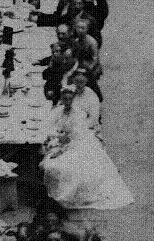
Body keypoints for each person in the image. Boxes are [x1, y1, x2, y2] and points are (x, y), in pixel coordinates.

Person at [41, 82, 135, 211]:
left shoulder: (78, 115)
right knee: (49, 161)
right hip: (62, 142)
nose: (67, 101)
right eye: (65, 99)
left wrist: (61, 147)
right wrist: (56, 135)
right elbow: (48, 125)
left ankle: (66, 195)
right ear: (62, 99)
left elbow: (76, 136)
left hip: (76, 145)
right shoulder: (58, 111)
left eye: (70, 99)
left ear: (73, 99)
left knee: (63, 166)